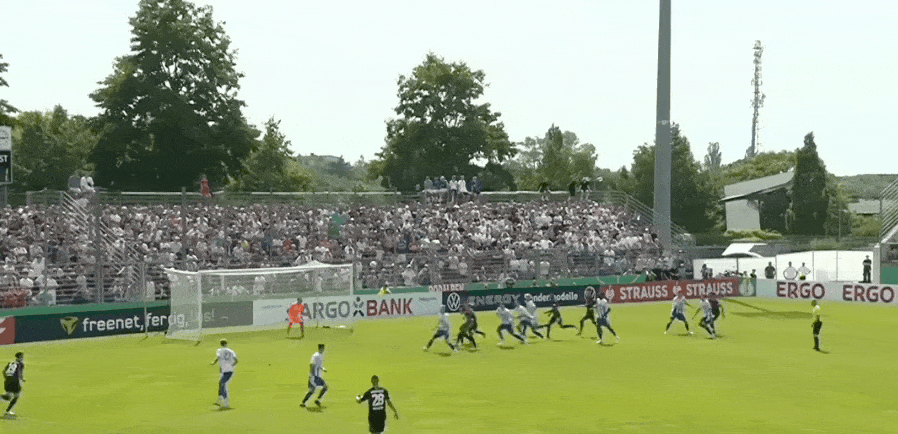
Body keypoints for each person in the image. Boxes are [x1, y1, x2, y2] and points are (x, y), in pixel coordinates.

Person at [210, 339, 237, 410]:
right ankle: (220, 400)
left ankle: (226, 404)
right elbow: (236, 360)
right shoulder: (231, 351)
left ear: (220, 344)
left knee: (223, 385)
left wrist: (213, 362)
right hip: (229, 370)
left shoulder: (219, 350)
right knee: (221, 384)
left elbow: (218, 357)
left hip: (225, 370)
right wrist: (230, 365)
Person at [2, 352, 25, 417]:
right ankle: (7, 411)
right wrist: (21, 379)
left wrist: (7, 379)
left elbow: (3, 371)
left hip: (7, 380)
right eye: (22, 357)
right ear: (20, 357)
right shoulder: (20, 364)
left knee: (8, 397)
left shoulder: (10, 363)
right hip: (14, 381)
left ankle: (7, 411)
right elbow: (19, 374)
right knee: (16, 395)